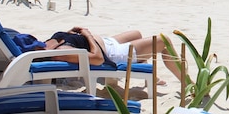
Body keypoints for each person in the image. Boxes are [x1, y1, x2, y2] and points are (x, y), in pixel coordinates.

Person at [44, 26, 182, 81]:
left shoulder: (48, 44)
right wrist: (88, 35)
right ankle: (185, 81)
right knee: (163, 41)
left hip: (107, 42)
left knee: (136, 33)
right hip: (113, 54)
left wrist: (71, 33)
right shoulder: (60, 52)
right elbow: (97, 59)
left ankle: (148, 76)